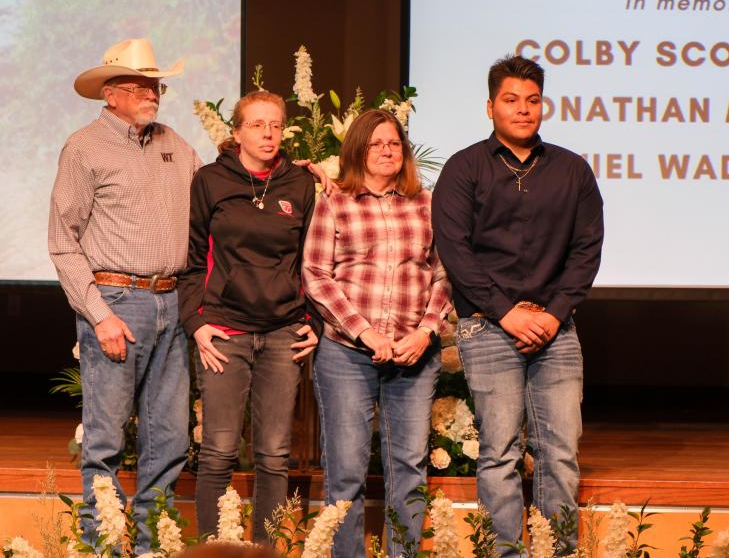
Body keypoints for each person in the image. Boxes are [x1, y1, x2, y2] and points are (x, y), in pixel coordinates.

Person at [431, 54, 604, 556]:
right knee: (499, 452)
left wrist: (550, 314)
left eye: (532, 100)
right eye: (511, 100)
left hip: (557, 328)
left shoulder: (572, 170)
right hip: (489, 326)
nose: (523, 109)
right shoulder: (465, 168)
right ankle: (503, 554)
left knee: (561, 453)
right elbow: (455, 250)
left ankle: (556, 551)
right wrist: (508, 312)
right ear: (490, 107)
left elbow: (586, 250)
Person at [48, 38, 200, 553]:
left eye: (155, 85)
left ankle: (150, 546)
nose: (150, 94)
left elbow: (212, 203)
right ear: (110, 94)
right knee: (106, 443)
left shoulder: (176, 144)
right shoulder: (84, 147)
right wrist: (98, 315)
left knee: (171, 441)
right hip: (117, 303)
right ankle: (104, 548)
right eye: (137, 86)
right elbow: (62, 240)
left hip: (172, 301)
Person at [302, 109, 451, 558]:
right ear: (357, 151)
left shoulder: (425, 203)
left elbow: (444, 275)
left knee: (408, 468)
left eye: (394, 143)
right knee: (345, 470)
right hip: (347, 355)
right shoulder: (335, 201)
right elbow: (315, 274)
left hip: (414, 355)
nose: (387, 151)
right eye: (376, 144)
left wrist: (425, 332)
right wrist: (366, 334)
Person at [178, 90, 319, 544]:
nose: (268, 133)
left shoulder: (300, 183)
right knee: (218, 451)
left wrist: (313, 323)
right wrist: (197, 323)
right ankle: (211, 550)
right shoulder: (210, 181)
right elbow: (193, 259)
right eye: (257, 124)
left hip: (282, 333)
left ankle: (265, 551)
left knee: (274, 455)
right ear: (236, 132)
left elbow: (312, 261)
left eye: (275, 125)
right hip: (224, 332)